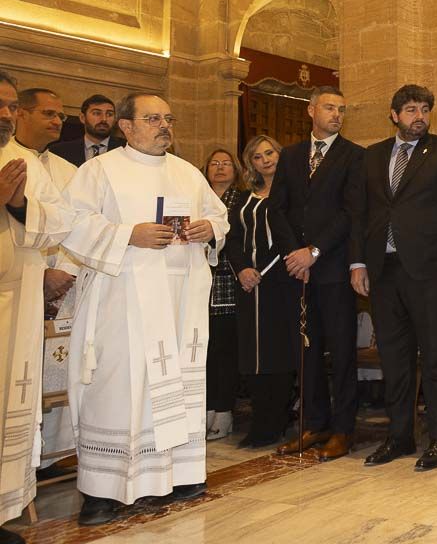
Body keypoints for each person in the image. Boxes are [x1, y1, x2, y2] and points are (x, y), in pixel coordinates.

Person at [61, 93, 229, 525]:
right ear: (126, 126)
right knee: (118, 388)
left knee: (177, 386)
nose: (163, 126)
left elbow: (219, 215)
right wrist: (126, 235)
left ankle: (180, 473)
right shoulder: (99, 171)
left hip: (179, 301)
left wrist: (209, 227)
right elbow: (71, 222)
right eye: (152, 118)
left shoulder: (187, 172)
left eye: (168, 118)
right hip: (124, 301)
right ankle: (102, 491)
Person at [350, 84, 437, 471]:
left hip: (433, 272)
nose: (418, 116)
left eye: (424, 109)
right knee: (395, 359)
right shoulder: (371, 156)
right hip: (384, 271)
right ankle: (400, 437)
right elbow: (361, 214)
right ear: (394, 115)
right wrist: (357, 263)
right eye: (410, 110)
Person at [270, 86, 365, 462]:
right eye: (329, 107)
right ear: (311, 110)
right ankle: (313, 424)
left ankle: (343, 430)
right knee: (305, 353)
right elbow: (277, 210)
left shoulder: (354, 156)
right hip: (297, 270)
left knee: (341, 352)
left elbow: (350, 212)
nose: (337, 114)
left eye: (342, 109)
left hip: (334, 270)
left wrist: (314, 251)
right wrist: (294, 254)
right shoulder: (291, 155)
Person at [0, 71, 72, 543]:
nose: (4, 115)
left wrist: (57, 271)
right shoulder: (11, 158)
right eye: (2, 106)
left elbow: (61, 222)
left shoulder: (59, 168)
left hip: (23, 293)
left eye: (7, 106)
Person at [226, 135, 301, 449]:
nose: (266, 160)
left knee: (278, 352)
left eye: (270, 152)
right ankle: (260, 421)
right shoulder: (244, 200)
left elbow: (289, 238)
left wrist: (264, 271)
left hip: (281, 282)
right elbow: (232, 239)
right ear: (251, 165)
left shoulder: (294, 196)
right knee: (252, 355)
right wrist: (243, 269)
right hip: (248, 284)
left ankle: (277, 420)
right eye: (257, 157)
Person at [202, 148, 242, 442]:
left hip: (229, 281)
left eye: (226, 163)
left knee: (224, 349)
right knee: (203, 348)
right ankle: (206, 407)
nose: (219, 168)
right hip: (199, 281)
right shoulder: (198, 197)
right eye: (214, 163)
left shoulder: (240, 199)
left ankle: (225, 410)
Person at [48, 94, 124, 167]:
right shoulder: (59, 151)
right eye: (97, 113)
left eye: (109, 114)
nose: (104, 119)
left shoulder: (126, 149)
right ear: (82, 118)